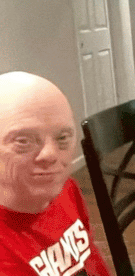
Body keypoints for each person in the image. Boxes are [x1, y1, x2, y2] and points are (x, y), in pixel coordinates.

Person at [0, 72, 112, 275]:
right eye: (23, 141)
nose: (50, 155)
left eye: (62, 138)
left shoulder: (66, 189)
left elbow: (91, 262)